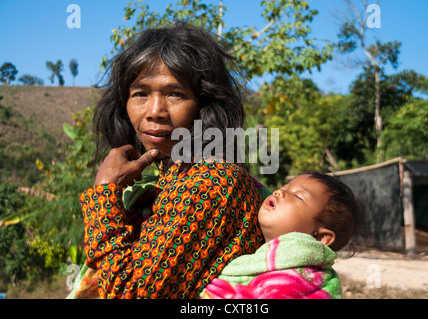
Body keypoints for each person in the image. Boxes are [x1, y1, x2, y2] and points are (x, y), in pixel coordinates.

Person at [73, 22, 267, 299]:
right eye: (140, 94)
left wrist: (105, 192)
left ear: (205, 104)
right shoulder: (173, 178)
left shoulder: (211, 182)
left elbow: (131, 294)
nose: (155, 112)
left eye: (175, 94)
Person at [201, 172, 364, 299]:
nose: (279, 192)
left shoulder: (303, 278)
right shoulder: (265, 251)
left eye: (299, 196)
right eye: (285, 187)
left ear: (320, 238)